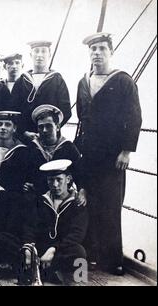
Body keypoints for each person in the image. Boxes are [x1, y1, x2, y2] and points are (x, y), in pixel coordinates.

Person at [76, 33, 142, 275]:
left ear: (110, 52)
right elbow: (82, 117)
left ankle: (113, 260)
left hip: (112, 155)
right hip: (88, 153)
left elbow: (134, 117)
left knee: (111, 205)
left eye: (102, 48)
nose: (97, 53)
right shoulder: (83, 81)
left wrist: (126, 150)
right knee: (88, 202)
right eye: (93, 48)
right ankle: (90, 255)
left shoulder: (124, 81)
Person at [21, 159, 88, 284]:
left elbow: (77, 234)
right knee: (12, 243)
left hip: (61, 248)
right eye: (50, 180)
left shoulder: (77, 203)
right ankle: (46, 270)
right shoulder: (40, 201)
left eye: (59, 180)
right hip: (41, 247)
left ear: (68, 179)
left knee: (79, 253)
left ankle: (43, 271)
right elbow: (30, 226)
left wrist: (53, 249)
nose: (55, 185)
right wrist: (28, 248)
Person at [11, 41, 71, 142]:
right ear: (31, 55)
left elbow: (66, 111)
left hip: (50, 138)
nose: (39, 55)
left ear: (49, 55)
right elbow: (13, 110)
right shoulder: (21, 80)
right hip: (25, 137)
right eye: (36, 51)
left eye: (43, 51)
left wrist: (51, 129)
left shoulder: (57, 79)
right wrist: (23, 132)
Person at [23, 104, 85, 200]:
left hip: (62, 199)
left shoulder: (68, 147)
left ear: (57, 127)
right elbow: (24, 174)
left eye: (49, 126)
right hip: (37, 199)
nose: (44, 130)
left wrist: (82, 191)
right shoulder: (32, 148)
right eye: (41, 127)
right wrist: (27, 184)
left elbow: (81, 173)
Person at [0, 111, 28, 192]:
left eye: (8, 125)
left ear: (14, 128)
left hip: (13, 196)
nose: (3, 127)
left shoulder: (22, 151)